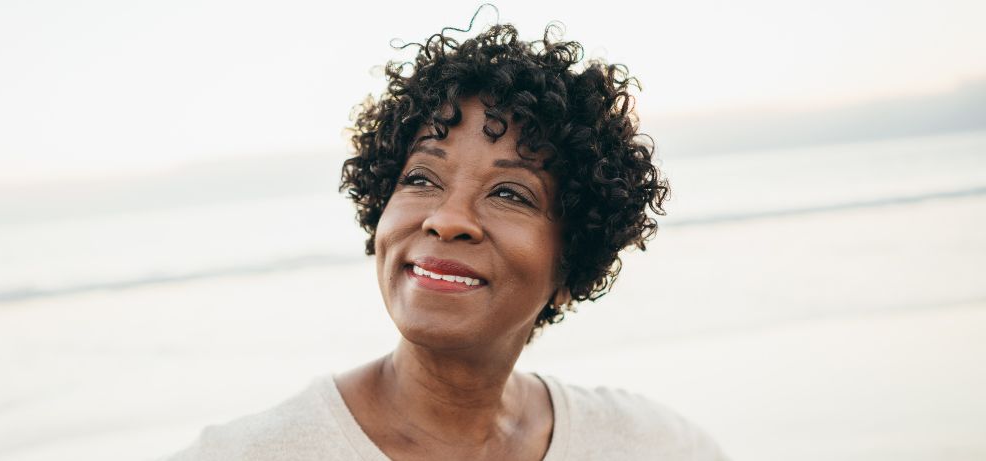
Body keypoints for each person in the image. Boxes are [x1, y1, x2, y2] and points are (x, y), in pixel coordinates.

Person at [163, 16, 728, 461]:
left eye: (510, 193)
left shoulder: (654, 446)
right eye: (420, 179)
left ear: (570, 267)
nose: (447, 218)